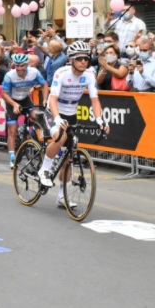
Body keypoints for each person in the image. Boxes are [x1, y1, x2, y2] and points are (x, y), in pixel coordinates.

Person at [38, 41, 109, 198]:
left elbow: (95, 100)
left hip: (71, 113)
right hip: (54, 111)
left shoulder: (90, 75)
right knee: (60, 137)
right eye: (79, 58)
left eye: (86, 58)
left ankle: (62, 197)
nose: (83, 61)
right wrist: (56, 118)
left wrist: (99, 120)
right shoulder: (61, 73)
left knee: (68, 157)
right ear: (71, 60)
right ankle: (44, 170)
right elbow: (52, 99)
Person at [0, 53, 48, 168]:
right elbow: (4, 94)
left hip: (25, 99)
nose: (19, 68)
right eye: (17, 66)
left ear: (27, 65)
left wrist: (45, 100)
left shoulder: (34, 72)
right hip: (12, 101)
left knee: (37, 117)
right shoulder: (9, 76)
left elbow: (45, 85)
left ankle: (37, 137)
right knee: (12, 130)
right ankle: (12, 157)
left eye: (22, 66)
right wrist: (14, 104)